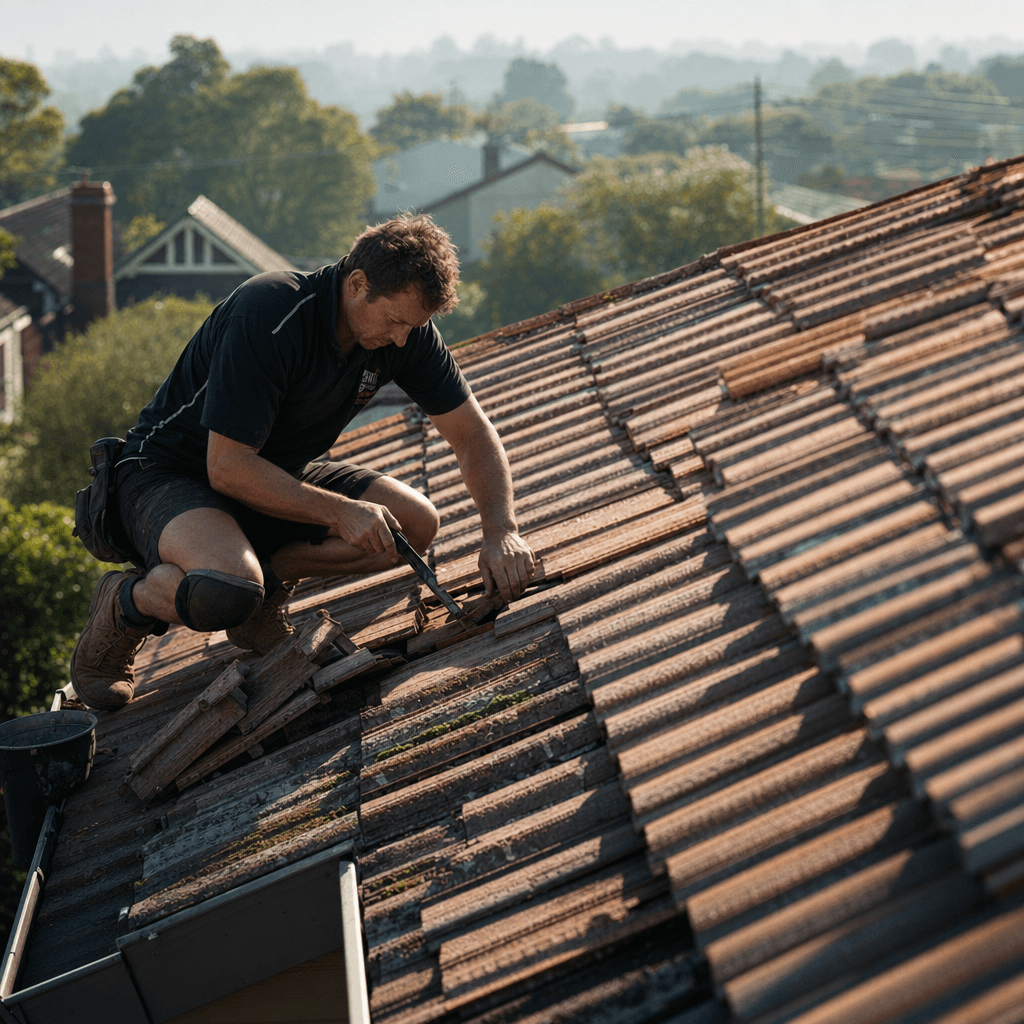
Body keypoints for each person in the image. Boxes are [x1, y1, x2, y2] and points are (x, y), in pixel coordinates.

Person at [70, 214, 535, 711]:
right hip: (167, 476)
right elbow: (226, 467)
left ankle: (260, 593)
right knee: (225, 591)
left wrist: (500, 529)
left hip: (269, 477)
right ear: (358, 285)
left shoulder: (407, 334)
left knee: (414, 524)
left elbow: (472, 434)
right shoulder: (268, 311)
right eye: (397, 321)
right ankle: (128, 604)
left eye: (414, 326)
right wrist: (339, 511)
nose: (403, 339)